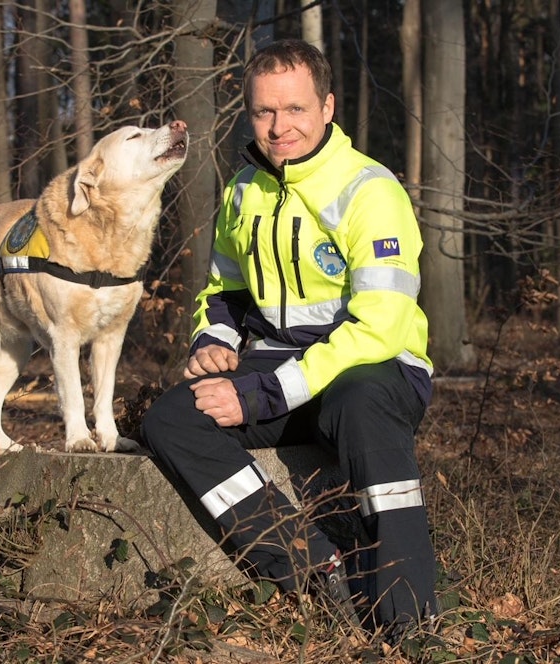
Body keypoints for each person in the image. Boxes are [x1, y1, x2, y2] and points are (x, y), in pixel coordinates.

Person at [141, 38, 438, 633]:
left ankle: (409, 618)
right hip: (279, 371)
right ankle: (309, 566)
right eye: (264, 112)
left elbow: (378, 326)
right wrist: (211, 343)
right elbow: (223, 293)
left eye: (295, 109)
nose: (279, 128)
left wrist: (261, 395)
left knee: (360, 401)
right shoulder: (244, 189)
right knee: (171, 418)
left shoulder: (370, 190)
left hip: (375, 369)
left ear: (327, 107)